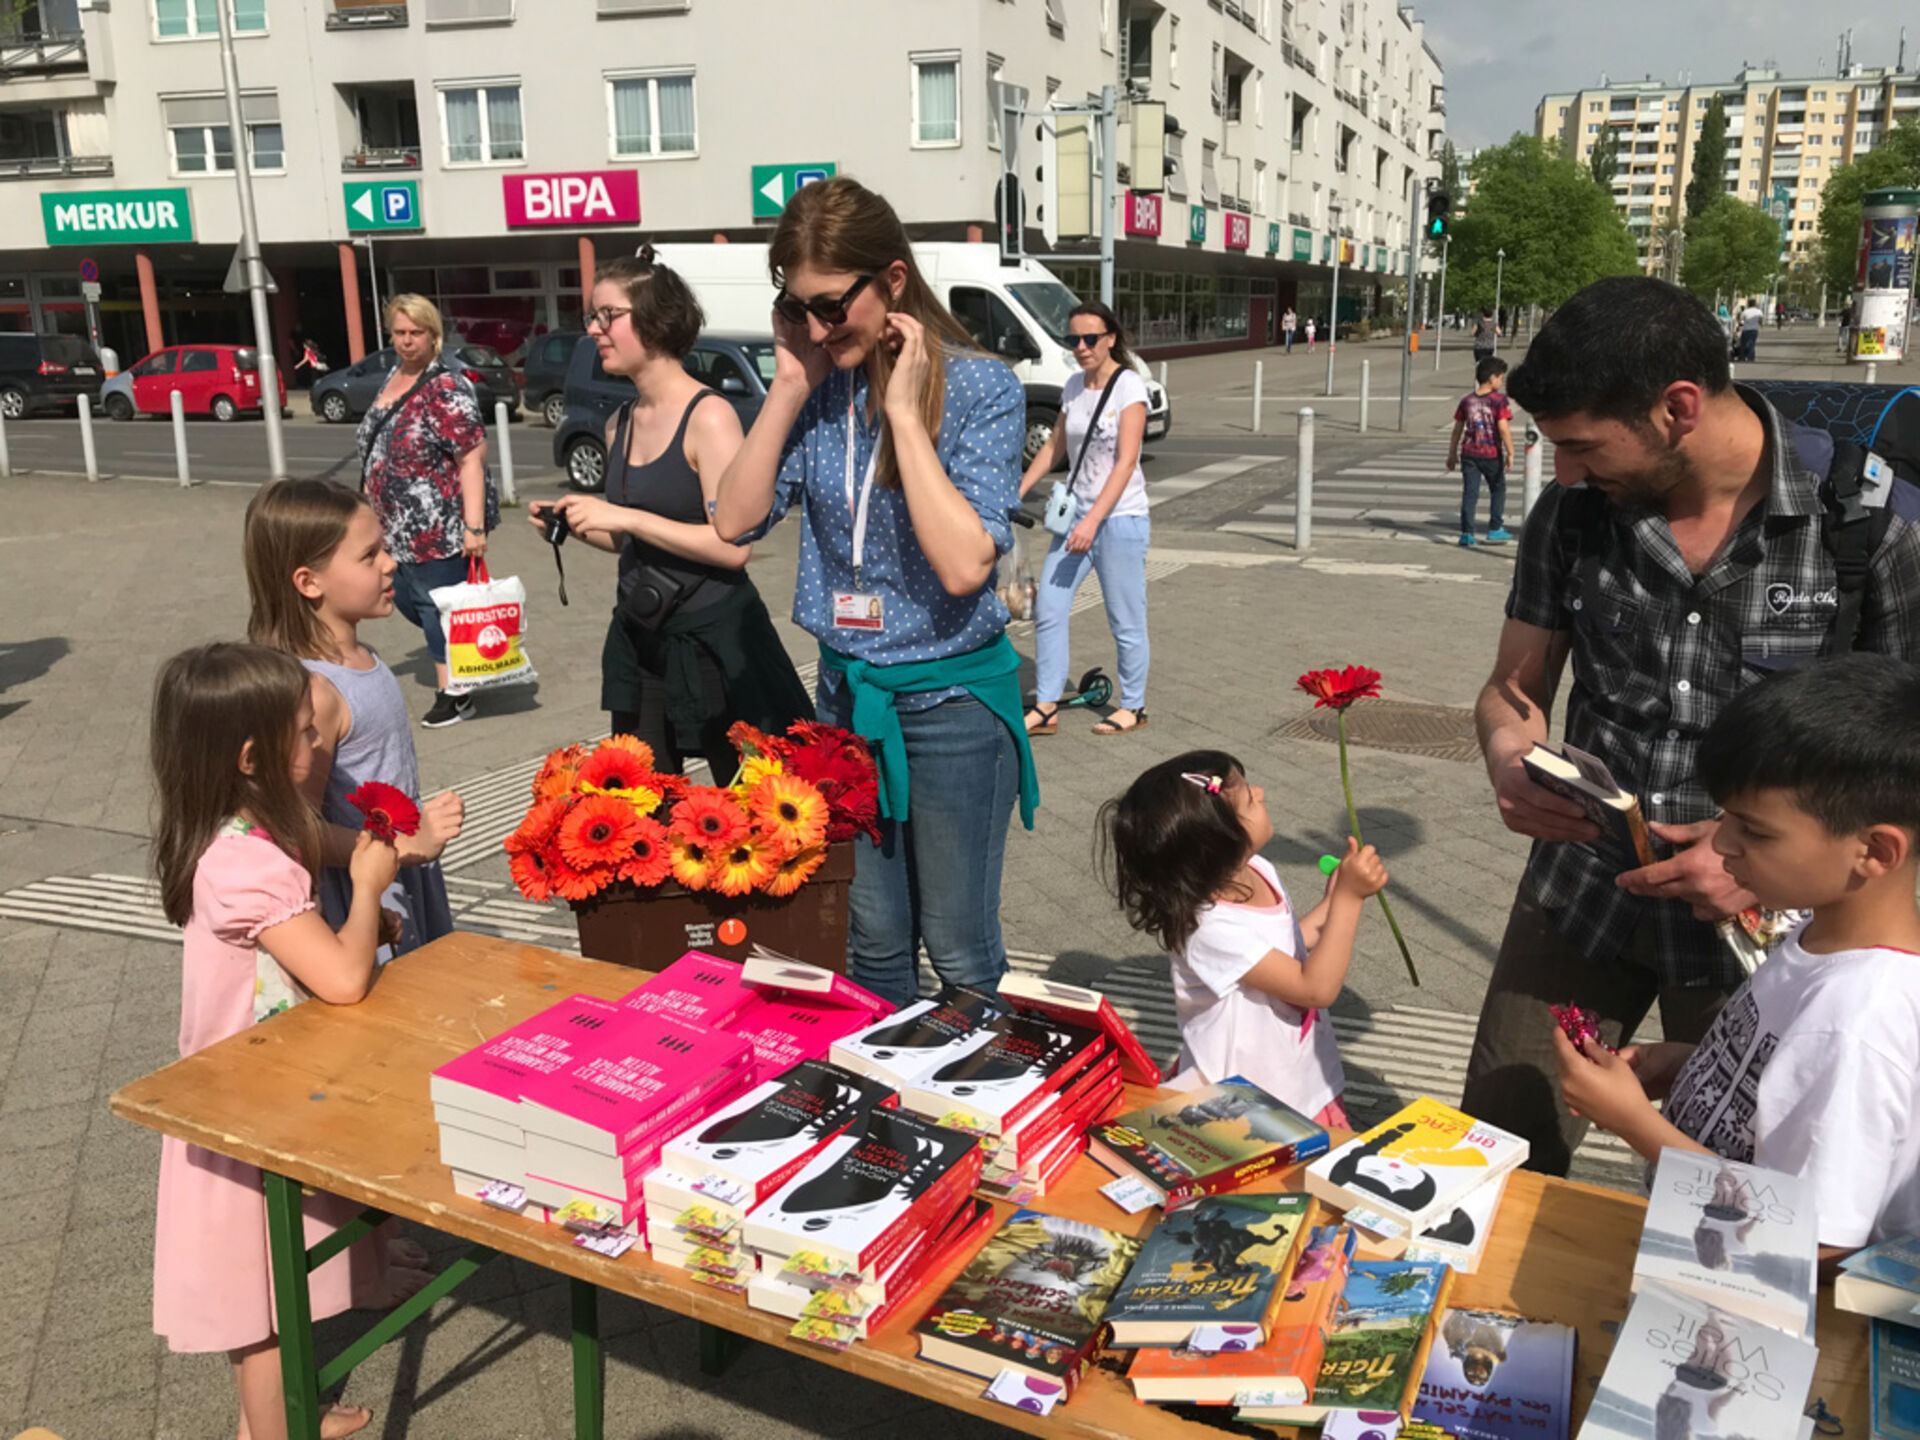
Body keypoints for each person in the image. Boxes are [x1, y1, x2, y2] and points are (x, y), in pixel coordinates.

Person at [1462, 275, 1920, 1177]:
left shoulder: (1867, 527)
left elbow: (1905, 758)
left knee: (1729, 1185)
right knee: (1499, 1147)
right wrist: (1508, 749)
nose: (1567, 472)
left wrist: (1749, 852)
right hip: (1582, 893)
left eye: (1583, 446)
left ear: (1677, 409)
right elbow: (1513, 685)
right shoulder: (1574, 516)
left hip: (1765, 931)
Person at [712, 175, 1037, 1006]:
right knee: (874, 942)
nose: (819, 328)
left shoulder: (981, 388)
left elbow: (965, 567)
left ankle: (977, 1080)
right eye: (797, 308)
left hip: (952, 705)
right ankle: (887, 1081)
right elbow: (734, 521)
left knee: (959, 949)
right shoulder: (819, 386)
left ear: (892, 281)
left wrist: (902, 415)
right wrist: (789, 384)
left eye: (831, 306)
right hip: (847, 701)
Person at [149, 642, 428, 1440]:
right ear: (251, 758)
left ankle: (294, 1410)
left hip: (253, 1089)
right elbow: (341, 978)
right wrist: (368, 893)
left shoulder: (238, 832)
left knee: (277, 1283)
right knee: (264, 1305)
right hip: (249, 1114)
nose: (320, 741)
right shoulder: (249, 866)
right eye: (307, 732)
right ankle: (269, 1431)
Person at [1557, 655, 1920, 1261]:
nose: (1722, 843)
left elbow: (1812, 1241)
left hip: (1755, 1290)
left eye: (1755, 830)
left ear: (1875, 852)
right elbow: (1789, 1089)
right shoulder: (1821, 935)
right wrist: (1690, 1065)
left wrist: (1634, 1123)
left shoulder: (1856, 1024)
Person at [527, 251, 810, 775]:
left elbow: (733, 546)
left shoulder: (710, 417)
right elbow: (631, 539)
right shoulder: (620, 422)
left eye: (608, 315)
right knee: (643, 802)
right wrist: (579, 524)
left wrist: (626, 518)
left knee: (746, 802)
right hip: (642, 635)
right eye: (592, 316)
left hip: (716, 641)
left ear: (656, 319)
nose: (594, 329)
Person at [1099, 751, 1389, 1126]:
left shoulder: (1257, 870)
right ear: (1220, 841)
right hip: (1248, 1102)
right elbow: (1315, 989)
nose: (1261, 793)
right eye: (1250, 798)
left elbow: (1281, 950)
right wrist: (1349, 900)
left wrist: (1333, 903)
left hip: (1301, 1079)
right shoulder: (1207, 926)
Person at [244, 478, 463, 955]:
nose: (390, 563)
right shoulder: (315, 692)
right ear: (309, 582)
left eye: (384, 547)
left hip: (398, 872)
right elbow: (296, 827)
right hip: (363, 895)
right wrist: (403, 846)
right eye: (369, 556)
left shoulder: (364, 655)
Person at [357, 293, 495, 728]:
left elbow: (471, 458)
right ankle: (463, 661)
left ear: (433, 335)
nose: (406, 341)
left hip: (438, 525)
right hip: (392, 527)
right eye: (399, 332)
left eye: (416, 332)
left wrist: (474, 527)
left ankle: (454, 693)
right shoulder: (393, 378)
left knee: (437, 607)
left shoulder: (446, 386)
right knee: (411, 602)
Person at [1016, 301, 1151, 737]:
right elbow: (1054, 446)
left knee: (1125, 619)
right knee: (1050, 608)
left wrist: (1094, 520)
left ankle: (1133, 706)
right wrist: (1017, 490)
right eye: (1072, 339)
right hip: (1075, 519)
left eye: (1090, 338)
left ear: (1110, 338)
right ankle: (1047, 705)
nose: (1081, 347)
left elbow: (1126, 462)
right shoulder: (1073, 386)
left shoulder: (1129, 386)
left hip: (1119, 520)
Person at [1447, 356, 1516, 549]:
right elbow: (1503, 428)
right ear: (1492, 378)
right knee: (1498, 488)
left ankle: (1467, 533)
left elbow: (1457, 429)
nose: (1501, 382)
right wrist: (1510, 451)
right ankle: (1495, 528)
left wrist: (1452, 453)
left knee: (1470, 493)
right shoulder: (1499, 401)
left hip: (1469, 453)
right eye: (1501, 378)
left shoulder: (1466, 401)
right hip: (1491, 453)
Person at [1736, 297, 1764, 361]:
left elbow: (1741, 321)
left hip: (1746, 329)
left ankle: (1742, 357)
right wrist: (1761, 325)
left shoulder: (1745, 311)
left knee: (1743, 344)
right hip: (1754, 330)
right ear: (1755, 304)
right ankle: (1751, 357)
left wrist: (1738, 329)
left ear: (1748, 304)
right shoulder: (1758, 311)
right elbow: (1760, 320)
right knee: (1752, 344)